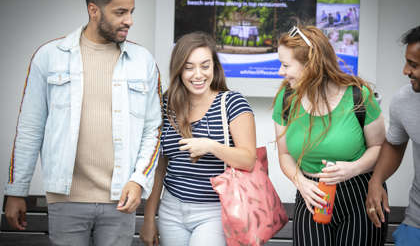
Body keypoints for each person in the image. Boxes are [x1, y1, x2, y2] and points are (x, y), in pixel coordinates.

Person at [4, 0, 162, 246]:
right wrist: (17, 191)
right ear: (94, 10)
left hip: (120, 199)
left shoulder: (143, 61)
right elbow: (30, 127)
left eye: (132, 12)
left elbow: (154, 130)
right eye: (121, 12)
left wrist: (138, 181)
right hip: (66, 199)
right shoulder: (49, 57)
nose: (129, 21)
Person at [273, 25, 387, 245]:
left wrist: (353, 168)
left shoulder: (358, 96)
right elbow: (284, 154)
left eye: (286, 65)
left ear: (311, 65)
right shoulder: (286, 98)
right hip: (311, 195)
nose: (281, 72)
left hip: (359, 196)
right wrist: (301, 183)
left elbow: (380, 148)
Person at [139, 32, 256, 246]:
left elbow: (248, 160)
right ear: (179, 69)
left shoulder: (232, 103)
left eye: (205, 65)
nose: (198, 74)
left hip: (214, 212)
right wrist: (148, 218)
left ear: (215, 67)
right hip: (171, 211)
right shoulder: (166, 104)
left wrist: (210, 146)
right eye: (189, 67)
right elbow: (160, 165)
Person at [366, 25, 420, 245]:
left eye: (414, 65)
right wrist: (376, 180)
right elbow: (395, 145)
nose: (405, 71)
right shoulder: (403, 101)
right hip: (416, 221)